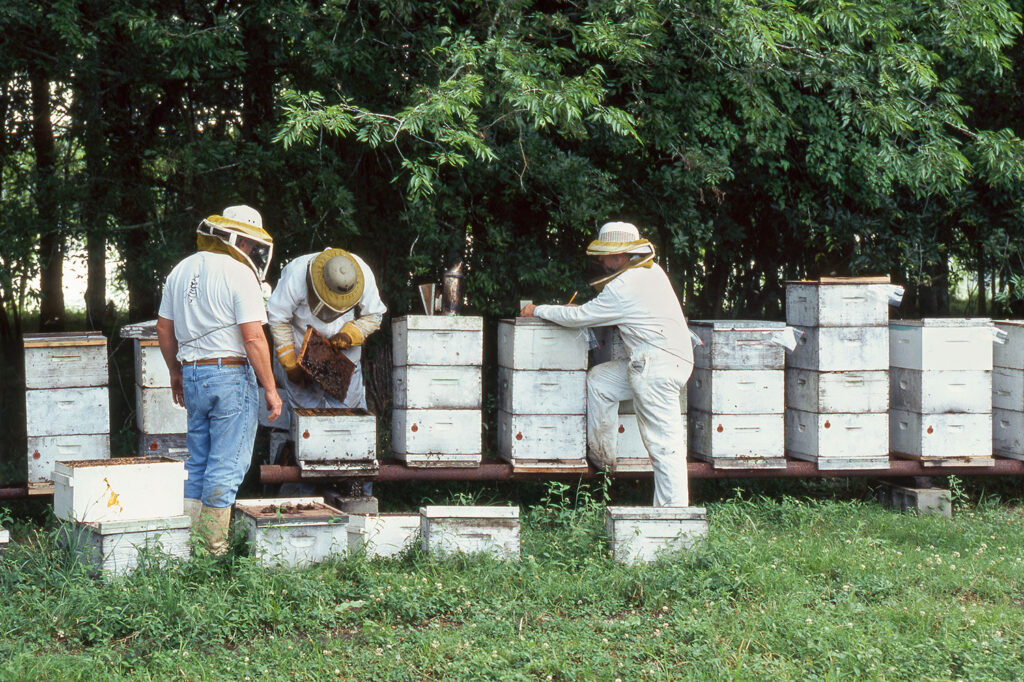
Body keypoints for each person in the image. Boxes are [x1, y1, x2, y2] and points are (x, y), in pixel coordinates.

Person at [520, 221, 693, 507]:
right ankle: (603, 460)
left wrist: (538, 309)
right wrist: (578, 311)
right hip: (662, 361)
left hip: (655, 367)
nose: (600, 260)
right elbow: (602, 312)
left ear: (620, 255)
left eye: (604, 254)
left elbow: (582, 318)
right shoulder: (651, 273)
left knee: (665, 446)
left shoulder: (625, 285)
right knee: (600, 381)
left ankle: (672, 518)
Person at [156, 204, 283, 554]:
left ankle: (186, 547)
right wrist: (271, 389)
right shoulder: (240, 273)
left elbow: (163, 329)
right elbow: (254, 338)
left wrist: (175, 372)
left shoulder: (181, 269)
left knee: (197, 462)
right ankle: (211, 552)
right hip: (230, 375)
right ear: (243, 240)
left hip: (194, 374)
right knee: (226, 464)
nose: (253, 252)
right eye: (252, 246)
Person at [267, 247, 386, 420]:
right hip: (302, 359)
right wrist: (289, 361)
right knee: (307, 424)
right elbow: (278, 318)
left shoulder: (362, 273)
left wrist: (351, 334)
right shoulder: (296, 273)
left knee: (351, 421)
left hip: (344, 360)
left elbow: (374, 315)